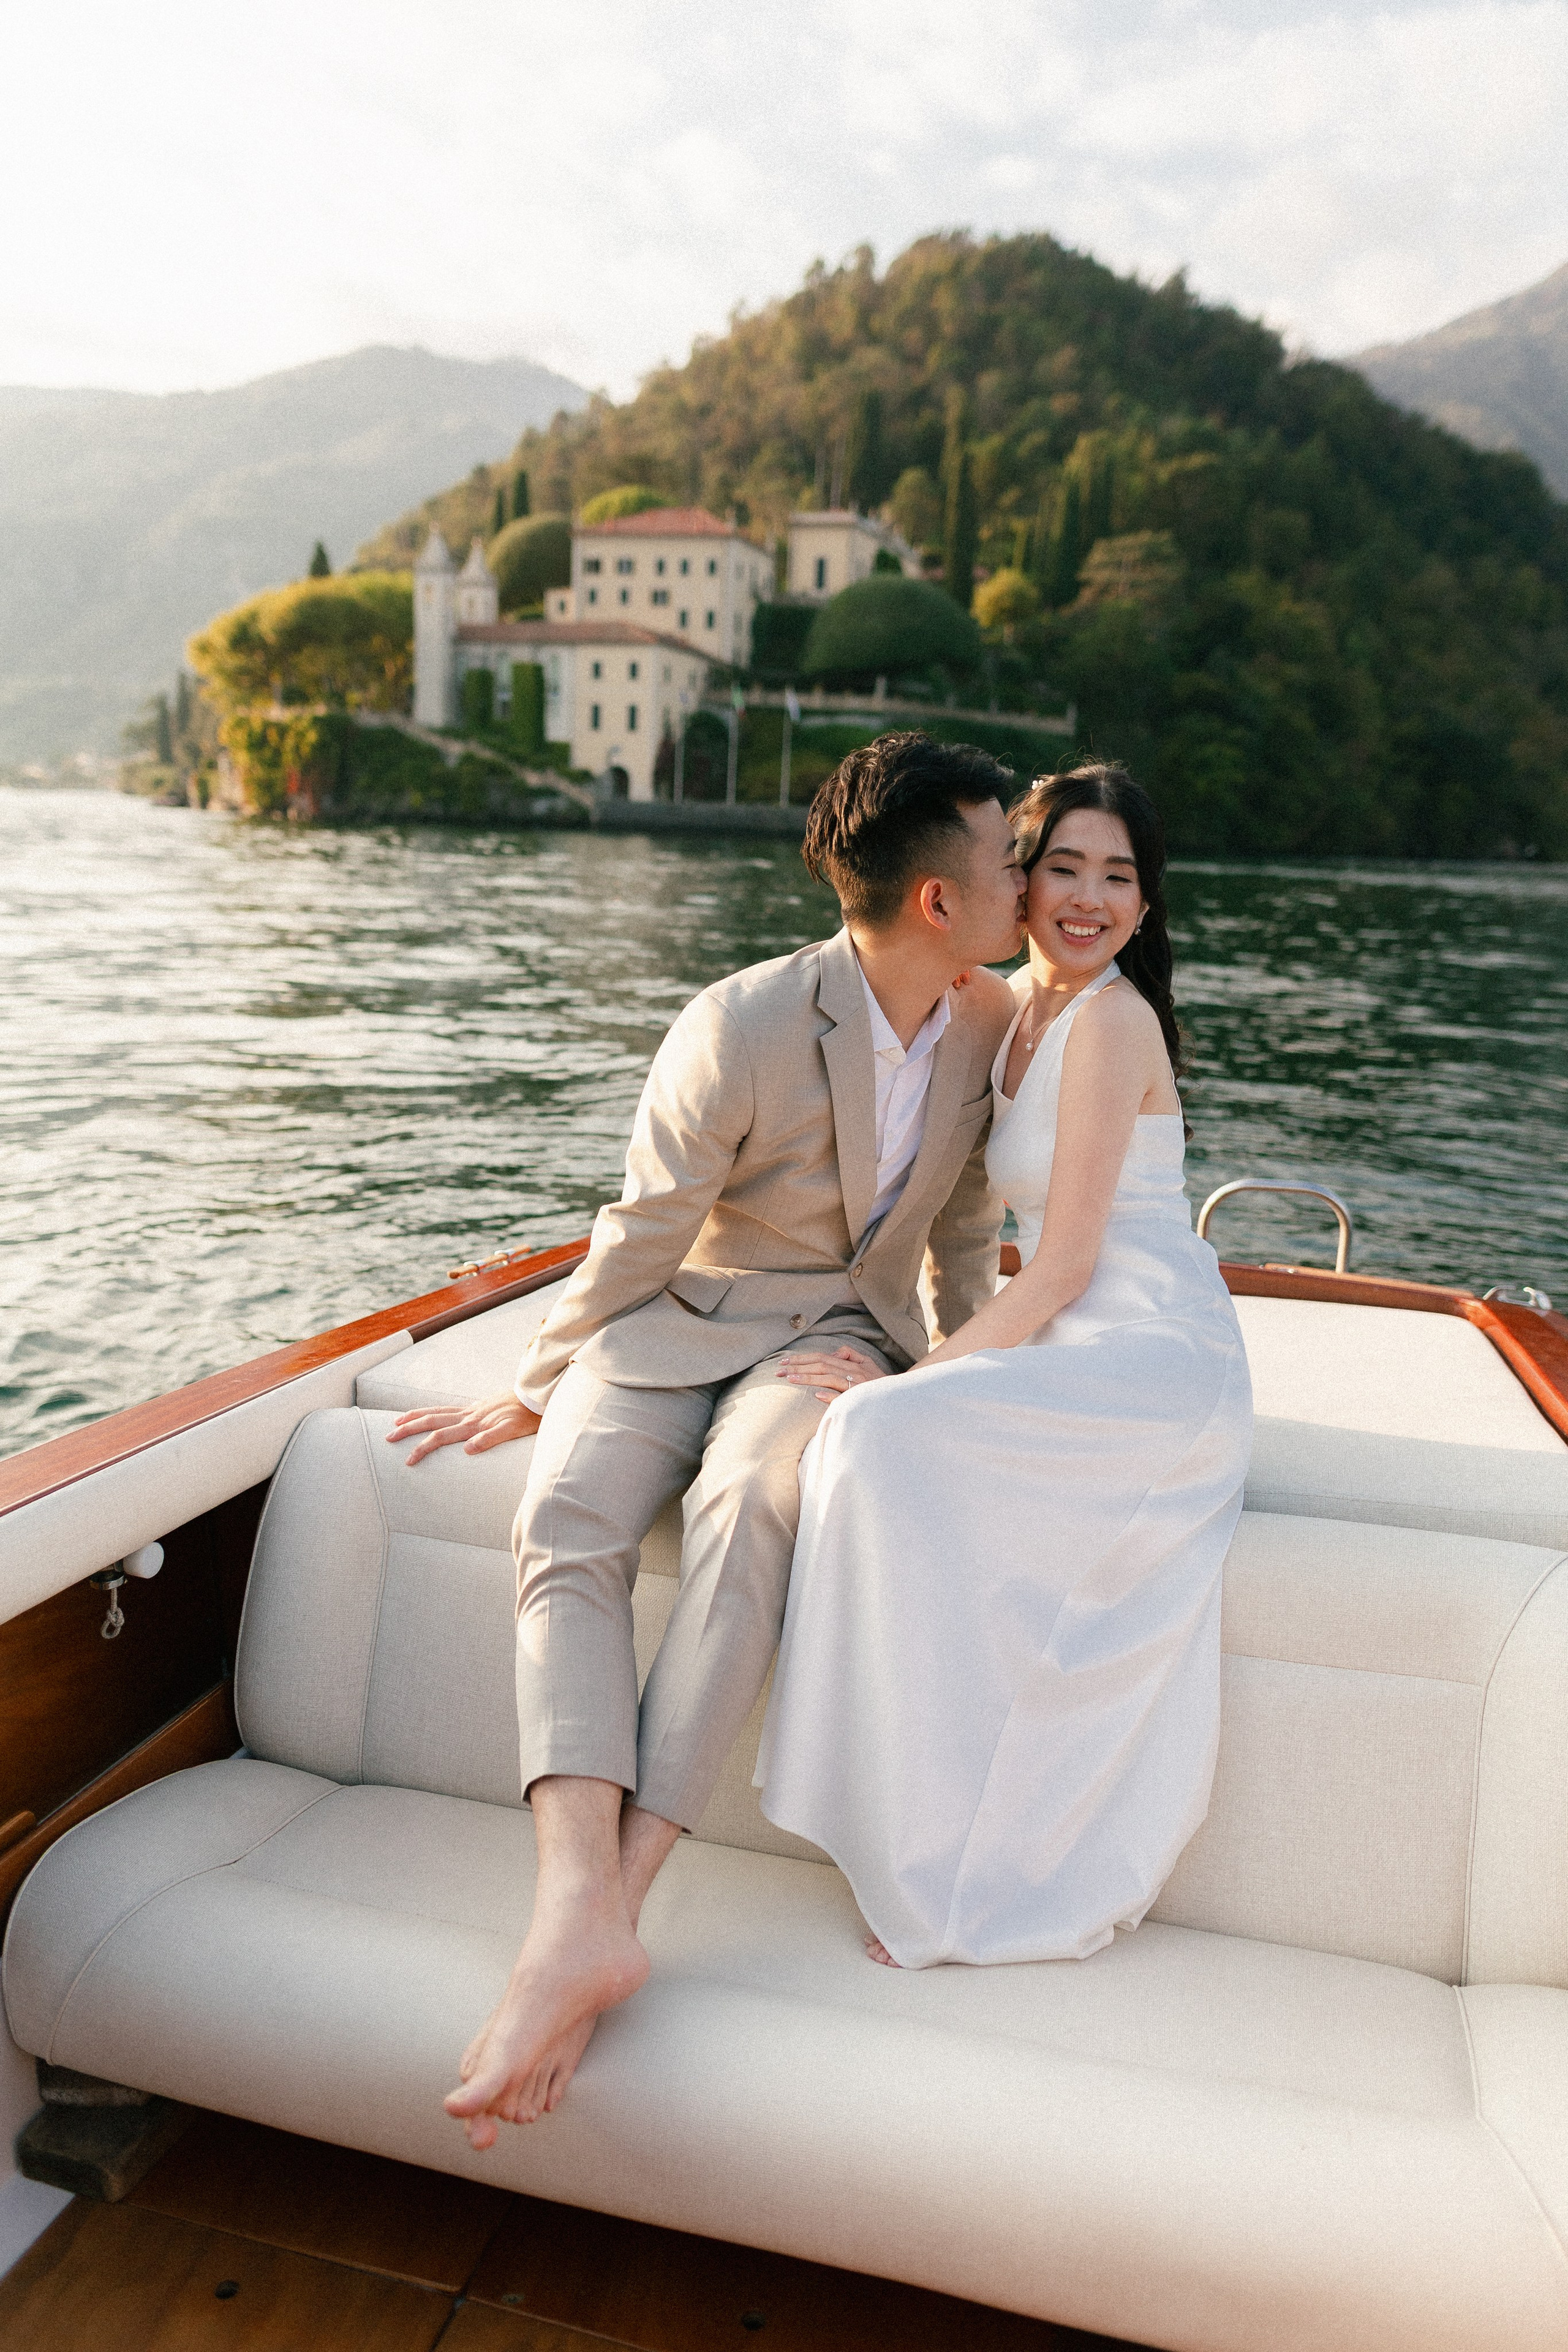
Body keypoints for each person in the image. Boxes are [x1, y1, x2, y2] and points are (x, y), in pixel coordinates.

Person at [387, 731, 1025, 2142]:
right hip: (673, 1317)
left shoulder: (994, 1026)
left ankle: (607, 1919)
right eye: (1005, 859)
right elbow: (644, 1230)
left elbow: (966, 1234)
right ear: (936, 897)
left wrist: (950, 1383)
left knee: (753, 1511)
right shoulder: (738, 1021)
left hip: (835, 1336)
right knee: (562, 1519)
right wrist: (541, 1377)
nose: (1024, 883)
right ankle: (575, 1905)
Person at [757, 761, 1253, 1969]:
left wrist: (911, 1380)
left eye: (1118, 876)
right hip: (1078, 1327)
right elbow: (962, 1225)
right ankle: (900, 1817)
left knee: (879, 1434)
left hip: (1146, 1348)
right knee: (877, 1448)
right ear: (1016, 882)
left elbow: (1064, 1268)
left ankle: (960, 1859)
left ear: (1146, 901)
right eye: (1063, 868)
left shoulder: (1112, 1019)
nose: (1088, 899)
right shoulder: (1005, 1007)